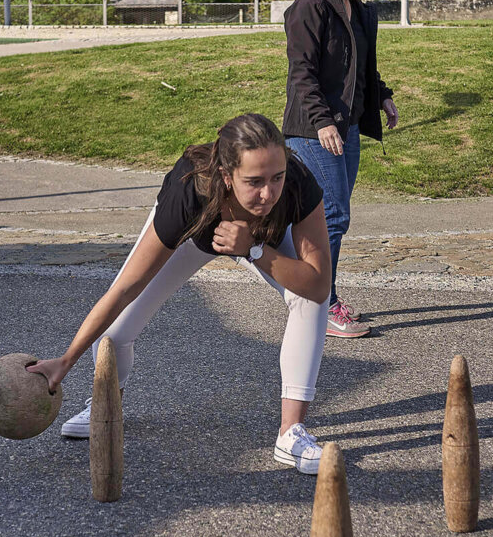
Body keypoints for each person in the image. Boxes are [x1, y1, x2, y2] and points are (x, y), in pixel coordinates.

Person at [28, 114, 332, 474]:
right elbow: (125, 289)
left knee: (309, 298)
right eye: (254, 182)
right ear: (226, 175)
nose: (268, 193)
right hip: (194, 235)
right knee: (115, 334)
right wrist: (66, 360)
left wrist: (254, 249)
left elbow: (318, 284)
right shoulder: (189, 190)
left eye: (276, 177)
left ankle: (291, 432)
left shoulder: (297, 182)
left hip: (257, 244)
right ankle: (107, 406)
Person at [283, 0, 398, 338]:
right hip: (313, 130)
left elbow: (361, 68)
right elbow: (302, 73)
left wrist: (382, 96)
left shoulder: (358, 9)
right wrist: (322, 121)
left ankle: (309, 289)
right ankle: (321, 302)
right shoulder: (310, 6)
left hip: (345, 128)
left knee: (330, 216)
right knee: (333, 215)